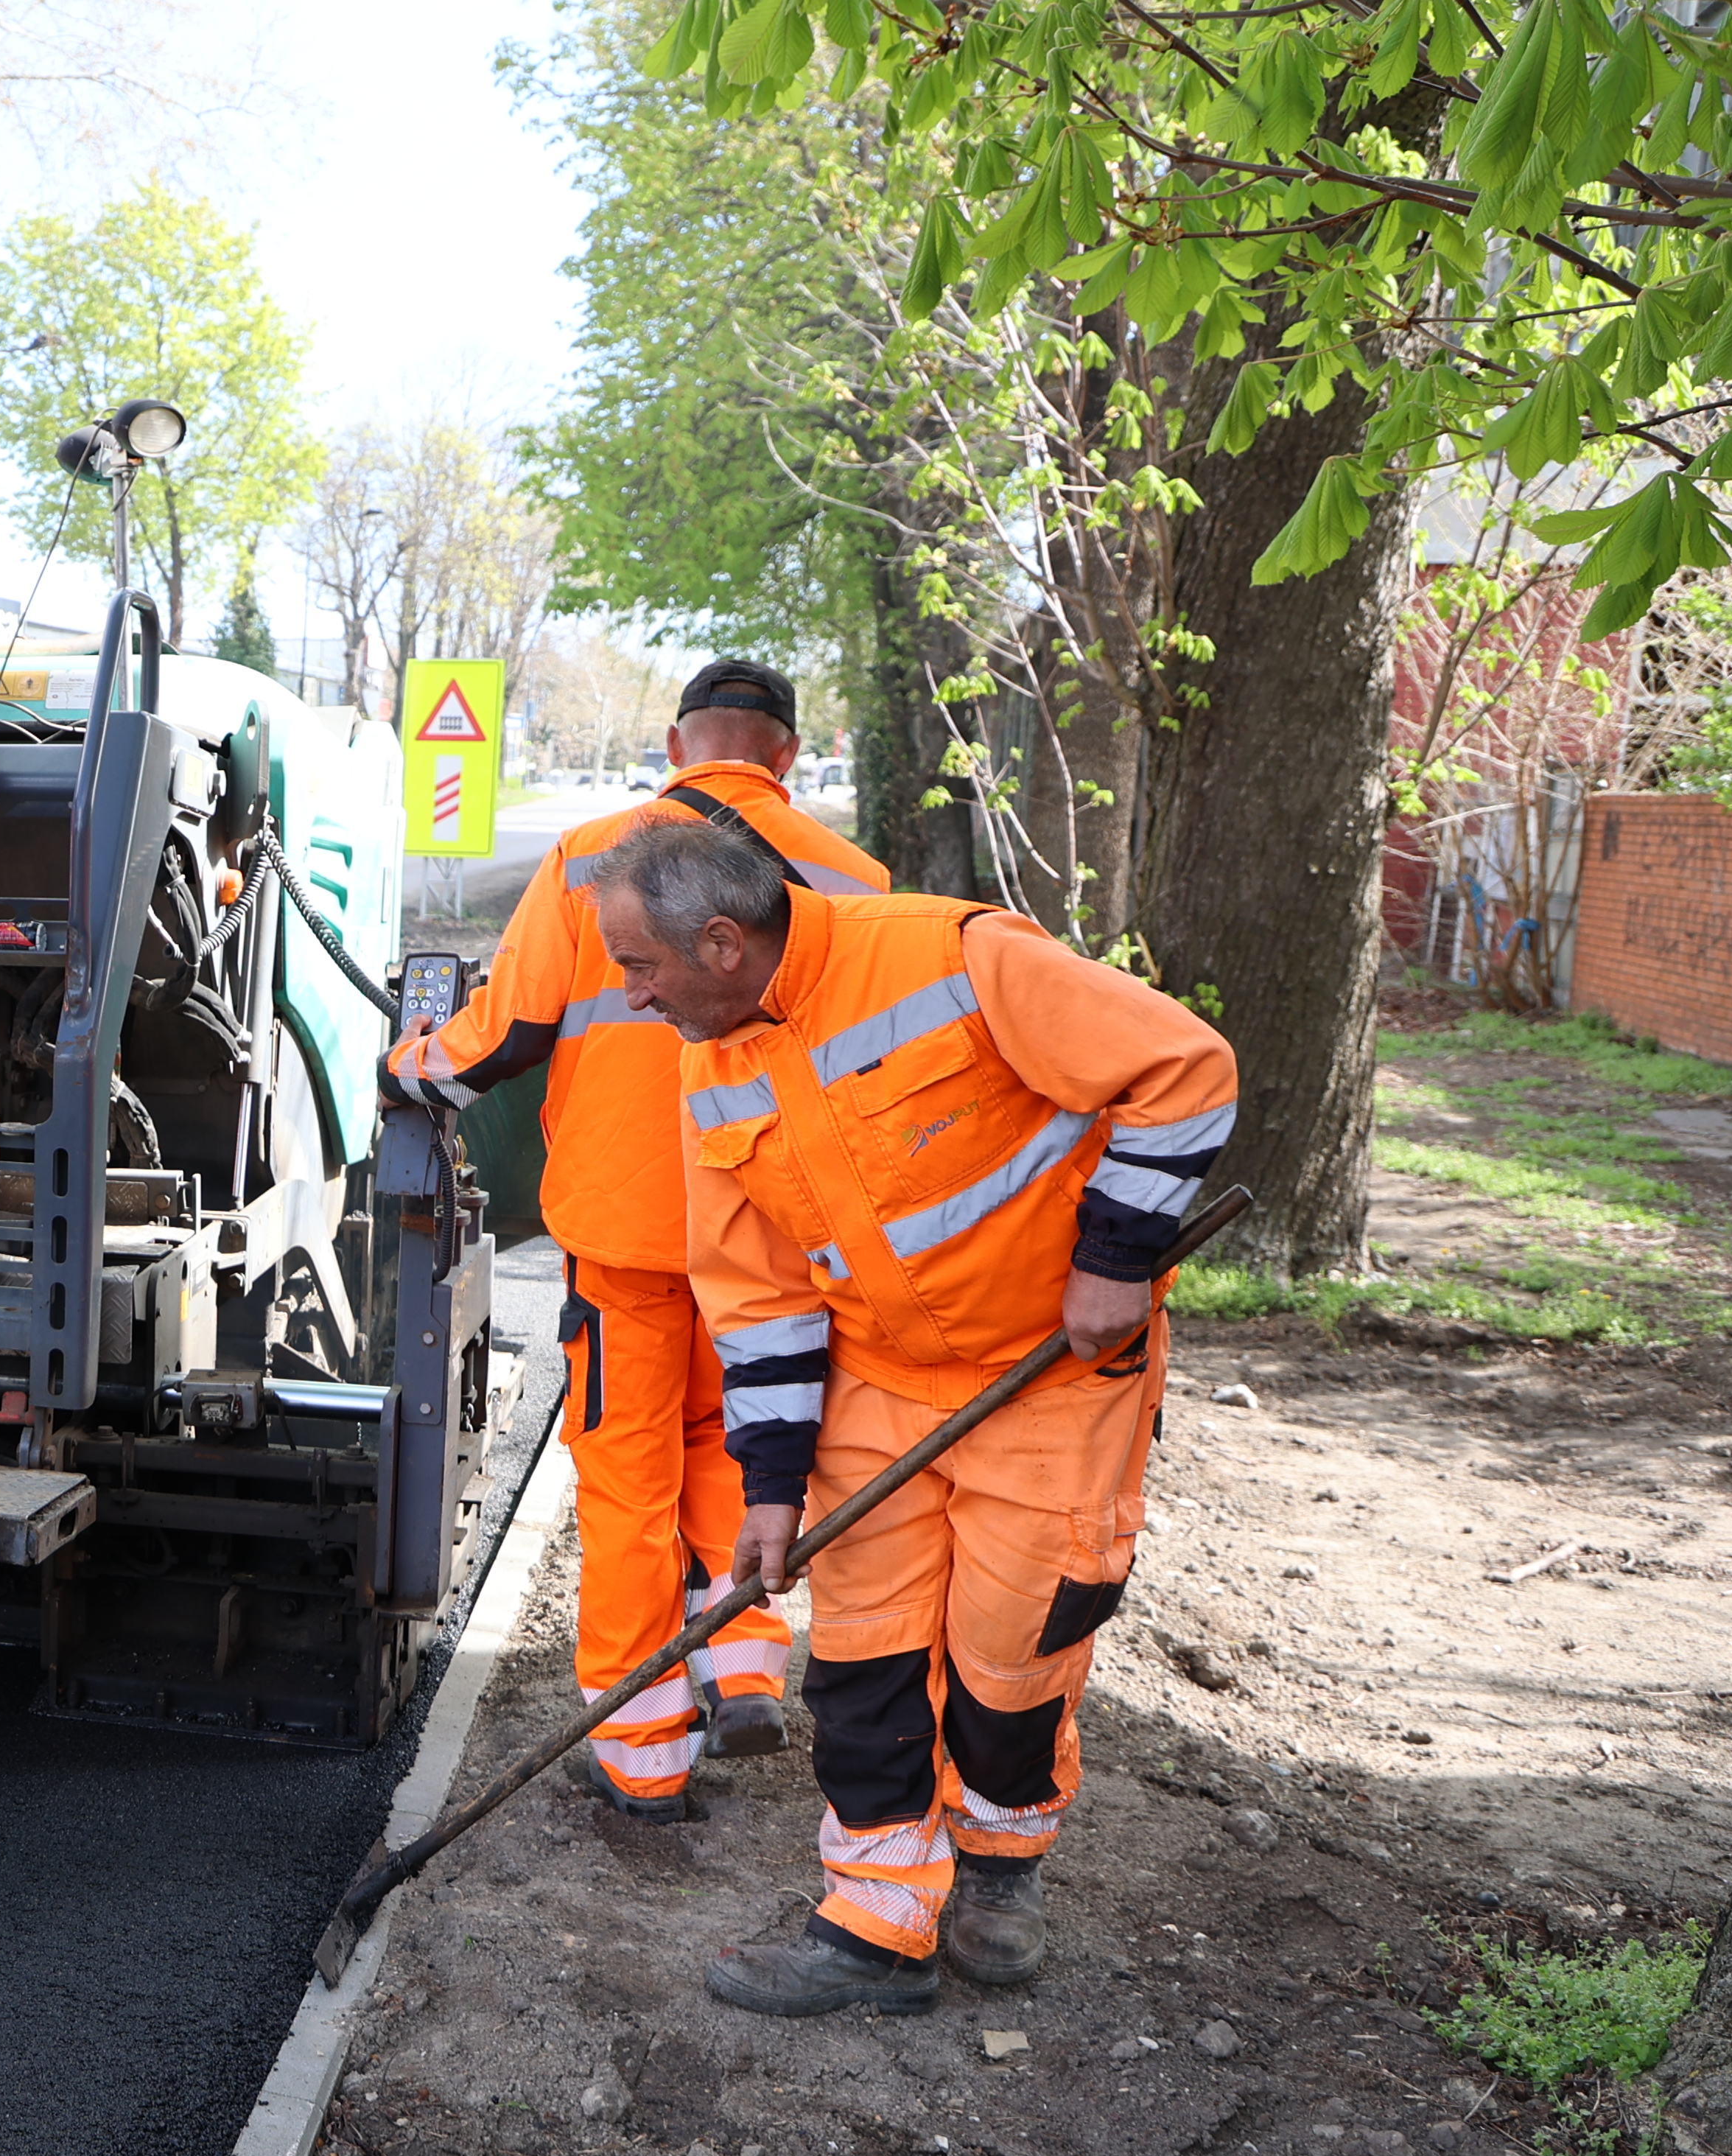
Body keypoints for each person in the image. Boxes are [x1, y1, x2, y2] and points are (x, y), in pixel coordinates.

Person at [581, 811, 1236, 2015]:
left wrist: (1116, 1255)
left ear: (722, 943)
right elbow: (757, 1291)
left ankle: (998, 1861)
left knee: (1010, 1654)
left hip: (1048, 1375)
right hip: (879, 1384)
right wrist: (771, 1486)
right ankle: (874, 1921)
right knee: (862, 1666)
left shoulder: (954, 958)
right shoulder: (708, 1062)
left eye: (638, 966)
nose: (629, 994)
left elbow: (1181, 1068)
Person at [380, 660, 889, 1816]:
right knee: (744, 1445)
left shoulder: (592, 856)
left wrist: (405, 1068)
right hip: (778, 1235)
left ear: (675, 744)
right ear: (788, 758)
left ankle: (643, 1748)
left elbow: (502, 1032)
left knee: (626, 1477)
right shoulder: (853, 879)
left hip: (631, 1229)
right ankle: (746, 1660)